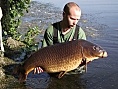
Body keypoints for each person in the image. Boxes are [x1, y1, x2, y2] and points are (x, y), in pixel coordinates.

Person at [34, 2, 86, 74]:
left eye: (77, 19)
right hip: (55, 69)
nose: (75, 23)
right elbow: (44, 53)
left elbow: (85, 57)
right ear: (64, 14)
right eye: (72, 19)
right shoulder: (51, 30)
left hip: (74, 72)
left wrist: (86, 62)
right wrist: (39, 65)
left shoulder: (79, 33)